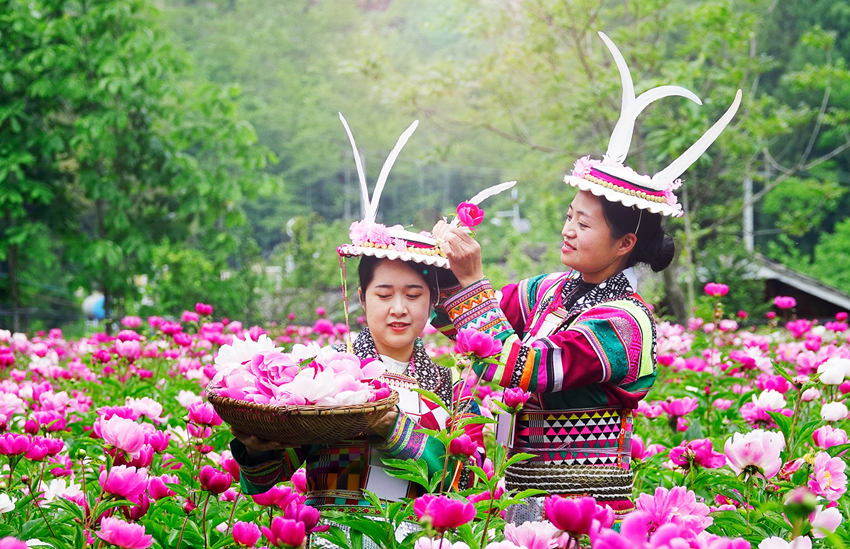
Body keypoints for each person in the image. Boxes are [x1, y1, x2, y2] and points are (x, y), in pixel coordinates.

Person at [431, 31, 741, 524]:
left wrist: (472, 282)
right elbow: (460, 327)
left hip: (587, 509)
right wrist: (437, 269)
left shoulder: (625, 324)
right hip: (521, 497)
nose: (567, 230)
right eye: (569, 216)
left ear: (624, 244)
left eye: (584, 223)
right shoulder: (547, 290)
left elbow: (523, 370)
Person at [230, 115, 481, 548]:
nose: (399, 309)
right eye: (384, 294)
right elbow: (266, 479)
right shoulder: (322, 376)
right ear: (362, 299)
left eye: (413, 295)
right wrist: (256, 448)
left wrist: (393, 429)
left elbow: (464, 479)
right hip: (333, 537)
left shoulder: (453, 388)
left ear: (432, 302)